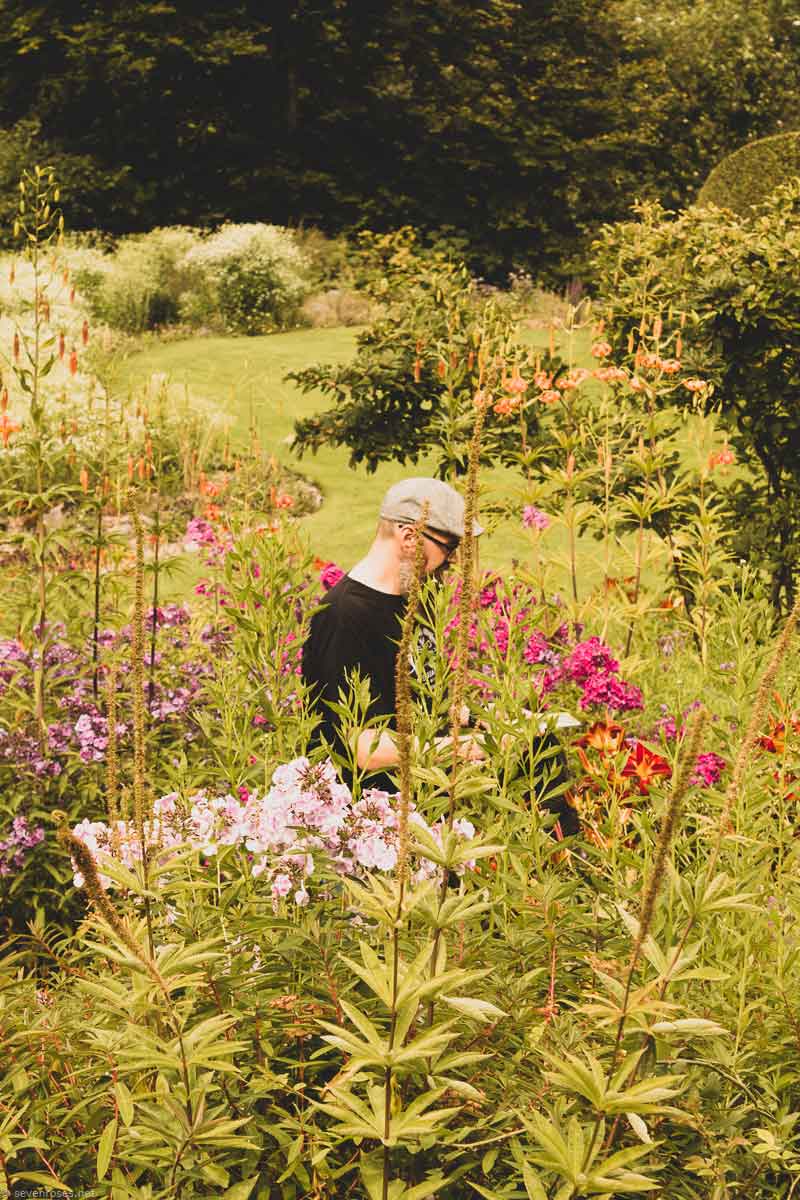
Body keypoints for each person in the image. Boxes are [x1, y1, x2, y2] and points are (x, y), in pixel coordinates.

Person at [301, 477, 483, 791]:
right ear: (410, 536)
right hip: (371, 804)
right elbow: (363, 747)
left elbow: (422, 693)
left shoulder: (415, 598)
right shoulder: (345, 615)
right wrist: (463, 748)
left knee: (537, 746)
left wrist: (484, 718)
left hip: (422, 776)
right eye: (449, 547)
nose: (452, 562)